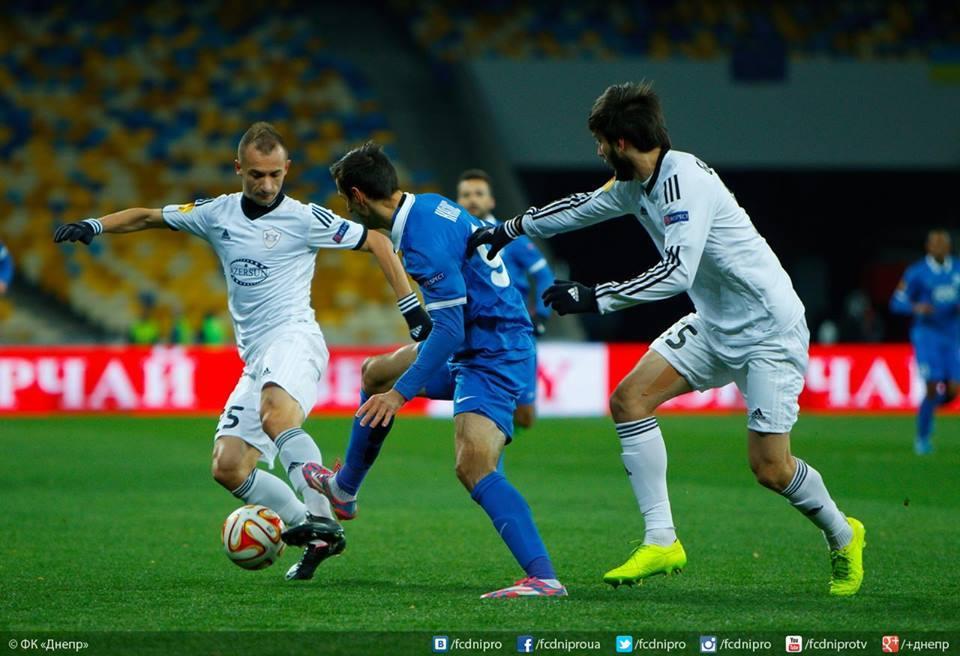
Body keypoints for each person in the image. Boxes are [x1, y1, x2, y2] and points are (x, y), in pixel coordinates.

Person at [470, 82, 865, 596]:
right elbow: (582, 206)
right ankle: (661, 540)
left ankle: (843, 533)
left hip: (769, 331)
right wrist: (509, 229)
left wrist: (596, 297)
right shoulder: (637, 184)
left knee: (771, 468)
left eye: (600, 142)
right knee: (628, 400)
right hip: (715, 324)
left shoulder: (684, 182)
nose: (598, 152)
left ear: (621, 142)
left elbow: (678, 272)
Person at [53, 122, 431, 581]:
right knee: (228, 466)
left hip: (295, 338)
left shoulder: (305, 217)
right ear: (238, 169)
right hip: (255, 356)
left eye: (275, 174)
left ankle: (323, 508)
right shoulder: (217, 213)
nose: (266, 185)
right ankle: (314, 531)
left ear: (287, 168)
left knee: (276, 414)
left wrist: (411, 307)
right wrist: (95, 225)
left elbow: (377, 241)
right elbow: (149, 216)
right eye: (256, 175)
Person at [308, 142, 566, 598]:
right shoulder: (430, 204)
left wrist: (401, 395)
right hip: (476, 338)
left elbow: (447, 329)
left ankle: (544, 578)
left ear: (358, 196)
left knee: (473, 466)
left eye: (347, 199)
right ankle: (344, 490)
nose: (348, 208)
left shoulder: (421, 241)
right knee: (375, 374)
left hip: (492, 351)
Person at [456, 169, 554, 429]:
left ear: (491, 201)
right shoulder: (454, 239)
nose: (472, 199)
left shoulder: (510, 237)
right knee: (479, 407)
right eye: (466, 195)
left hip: (514, 332)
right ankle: (484, 449)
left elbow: (544, 275)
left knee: (524, 415)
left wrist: (542, 315)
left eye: (479, 194)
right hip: (473, 334)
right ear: (458, 201)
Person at [890, 229, 960, 454]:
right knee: (932, 385)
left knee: (954, 390)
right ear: (928, 247)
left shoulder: (957, 269)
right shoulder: (917, 272)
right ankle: (922, 437)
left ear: (948, 247)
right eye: (935, 244)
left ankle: (927, 410)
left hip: (953, 335)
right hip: (927, 335)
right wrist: (916, 307)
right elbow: (896, 302)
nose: (939, 248)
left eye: (943, 244)